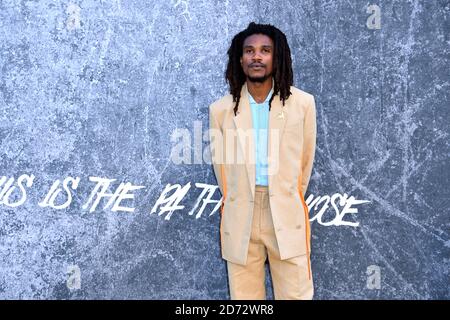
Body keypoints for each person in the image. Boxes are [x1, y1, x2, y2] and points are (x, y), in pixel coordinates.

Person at [208, 22, 317, 300]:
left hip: (285, 209)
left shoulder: (303, 104)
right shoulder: (220, 110)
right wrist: (239, 198)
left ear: (276, 57)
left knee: (296, 294)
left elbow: (304, 163)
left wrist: (284, 195)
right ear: (240, 58)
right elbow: (222, 171)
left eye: (265, 50)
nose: (257, 56)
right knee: (244, 298)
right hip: (240, 211)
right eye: (249, 50)